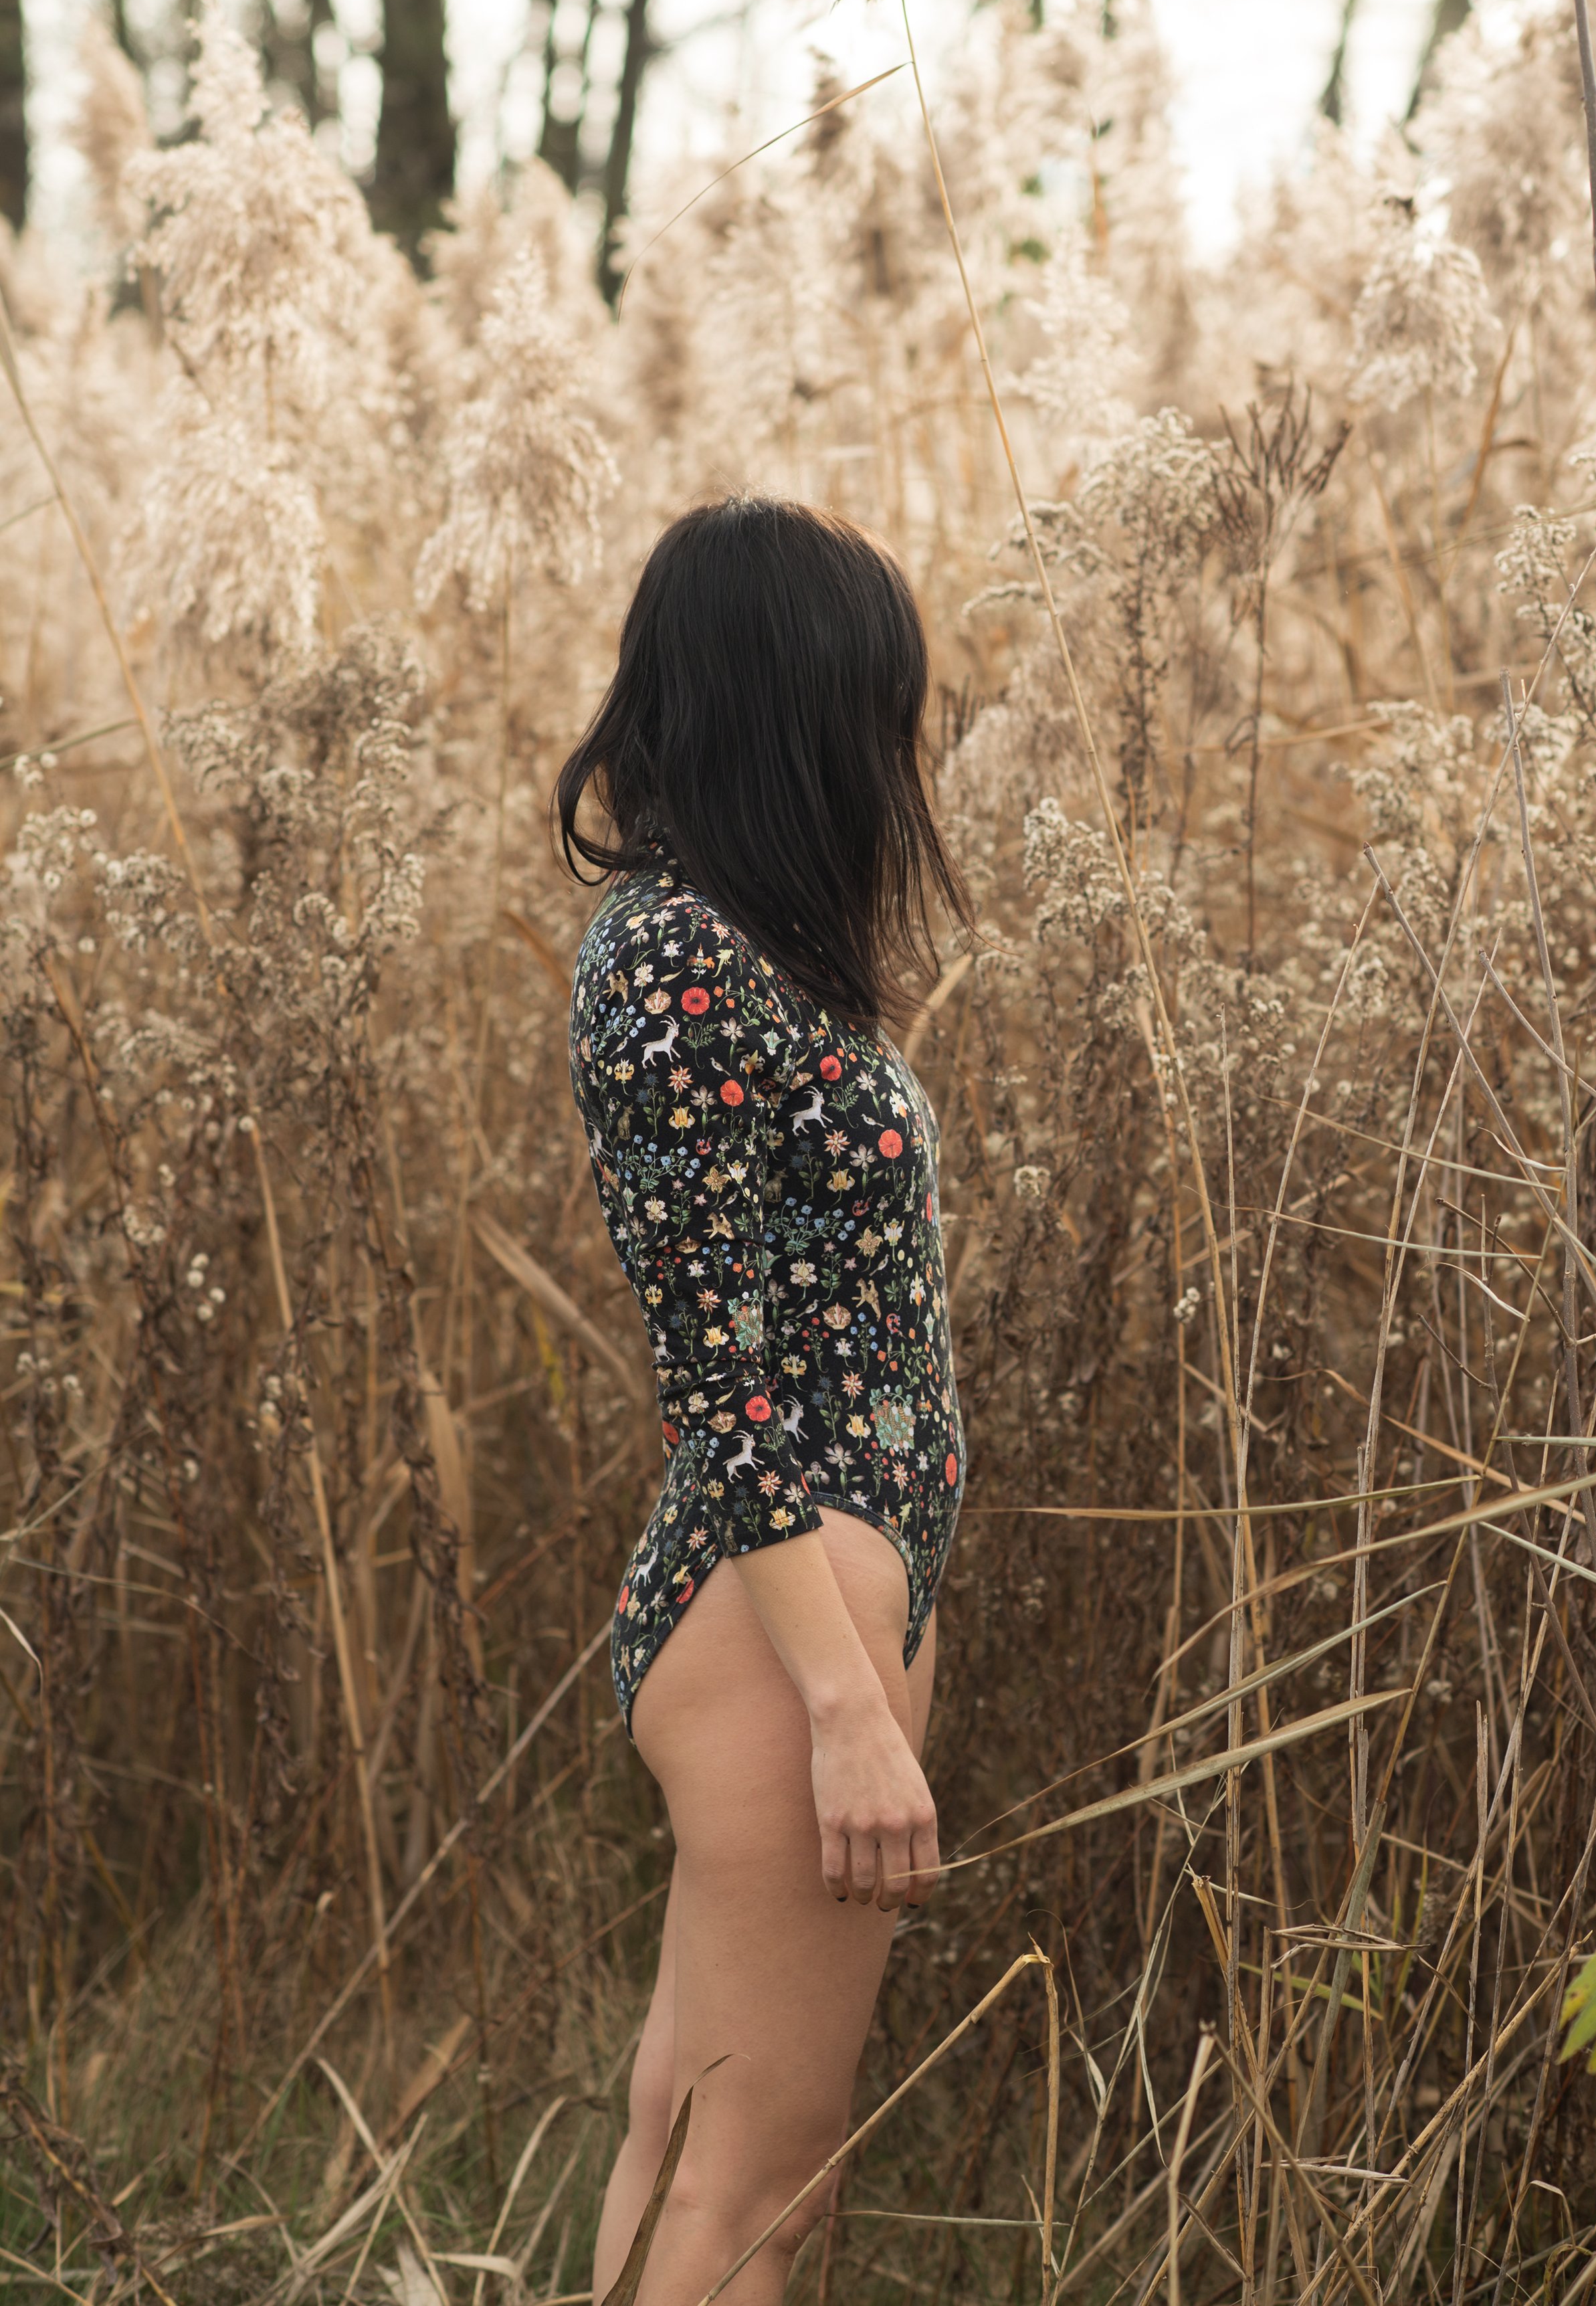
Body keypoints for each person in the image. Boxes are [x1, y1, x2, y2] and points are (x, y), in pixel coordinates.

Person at [555, 493, 974, 2305]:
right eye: (873, 712)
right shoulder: (670, 959)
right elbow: (719, 1374)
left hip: (825, 1580)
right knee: (758, 2186)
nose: (895, 757)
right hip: (783, 1593)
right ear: (785, 708)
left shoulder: (746, 949)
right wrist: (844, 1704)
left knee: (687, 2142)